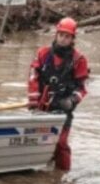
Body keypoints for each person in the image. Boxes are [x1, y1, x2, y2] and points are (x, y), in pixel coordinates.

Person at [28, 18, 90, 171]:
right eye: (61, 35)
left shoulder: (79, 60)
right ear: (56, 35)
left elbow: (82, 88)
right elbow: (33, 77)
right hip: (42, 108)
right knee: (38, 142)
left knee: (61, 143)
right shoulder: (43, 53)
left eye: (67, 36)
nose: (63, 39)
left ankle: (63, 176)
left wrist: (72, 100)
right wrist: (33, 100)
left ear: (72, 39)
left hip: (63, 110)